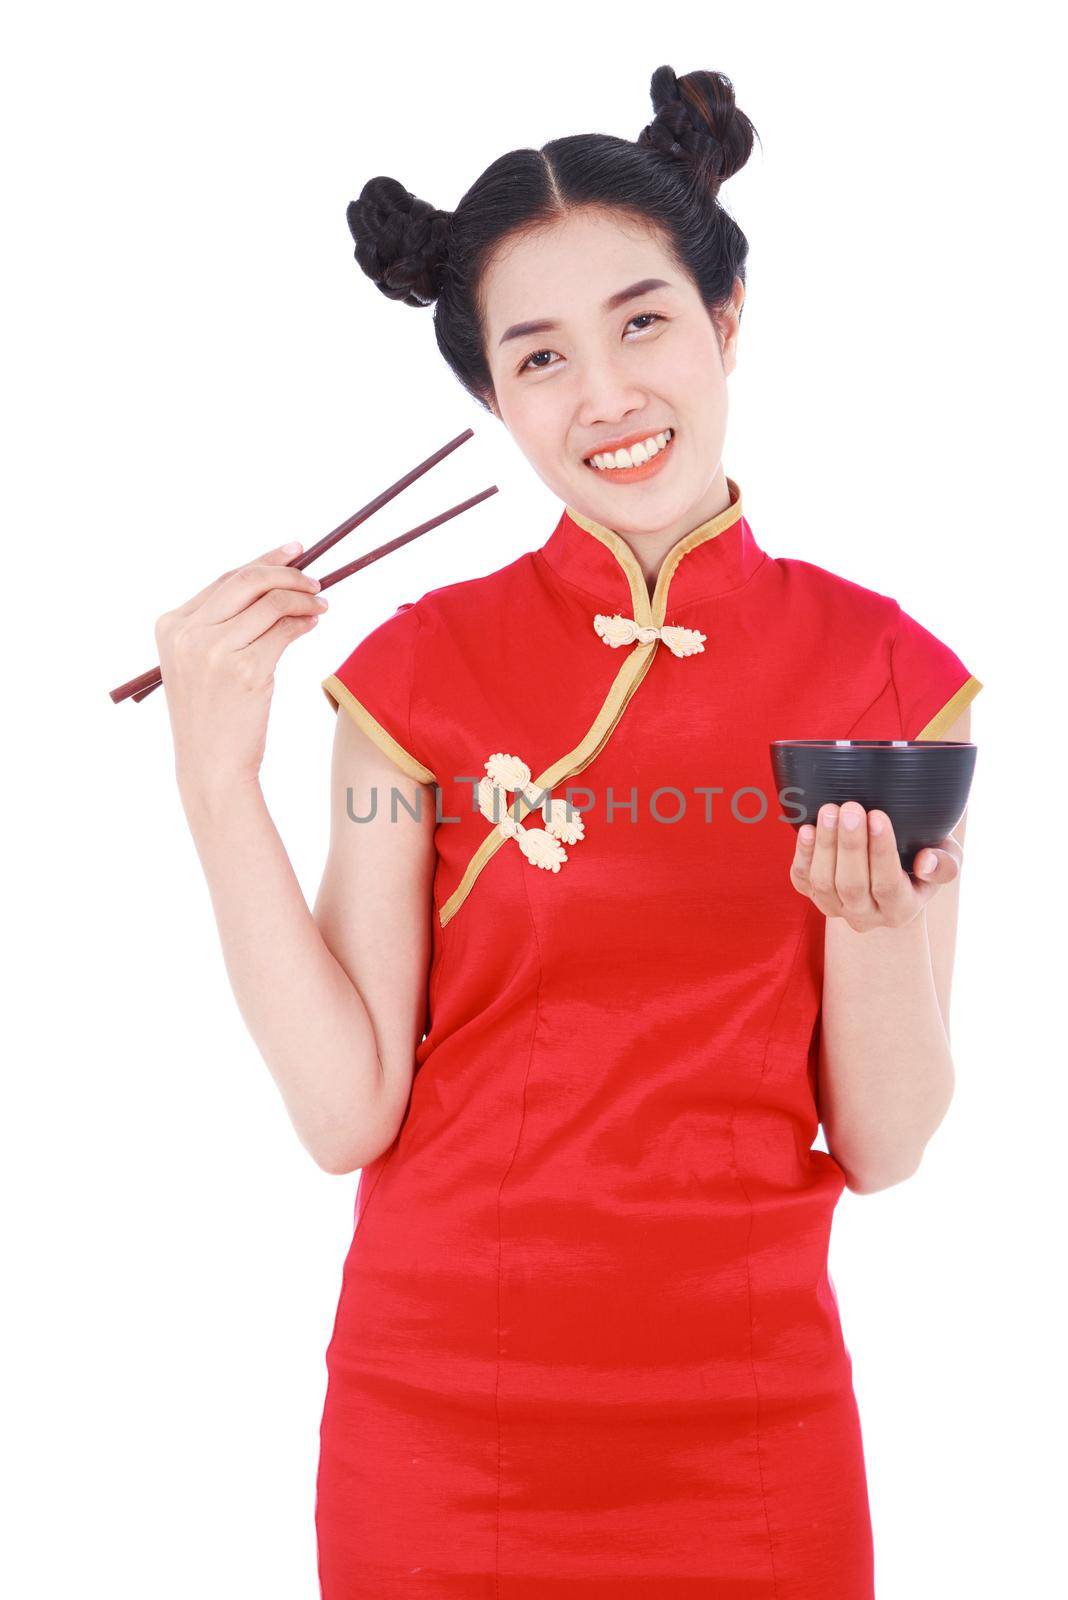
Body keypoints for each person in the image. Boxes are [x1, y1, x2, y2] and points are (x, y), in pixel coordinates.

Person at [156, 64, 982, 1599]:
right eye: (537, 357)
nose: (602, 394)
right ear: (488, 396)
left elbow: (884, 1141)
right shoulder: (410, 677)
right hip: (440, 1416)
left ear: (726, 320)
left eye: (643, 322)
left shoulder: (889, 680)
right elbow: (346, 1112)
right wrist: (217, 780)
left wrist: (869, 930)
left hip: (750, 1416)